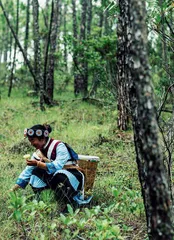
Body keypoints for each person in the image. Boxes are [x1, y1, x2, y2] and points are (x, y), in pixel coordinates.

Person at [10, 124, 91, 211]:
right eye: (30, 141)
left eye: (33, 140)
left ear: (42, 138)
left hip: (71, 174)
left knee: (60, 175)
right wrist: (13, 189)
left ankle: (71, 204)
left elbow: (58, 166)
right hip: (55, 176)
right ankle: (43, 201)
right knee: (35, 172)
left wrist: (38, 164)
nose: (31, 144)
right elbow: (28, 171)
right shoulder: (38, 152)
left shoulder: (59, 146)